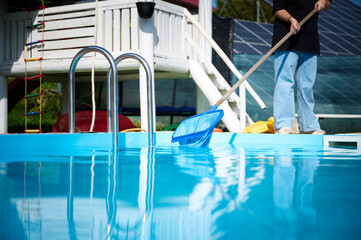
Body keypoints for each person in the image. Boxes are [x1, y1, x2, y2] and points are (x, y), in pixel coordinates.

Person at [272, 0, 331, 134]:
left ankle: (308, 126)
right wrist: (291, 19)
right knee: (284, 82)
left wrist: (324, 3)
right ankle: (283, 124)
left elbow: (327, 3)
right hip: (286, 39)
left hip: (310, 41)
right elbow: (278, 8)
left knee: (306, 86)